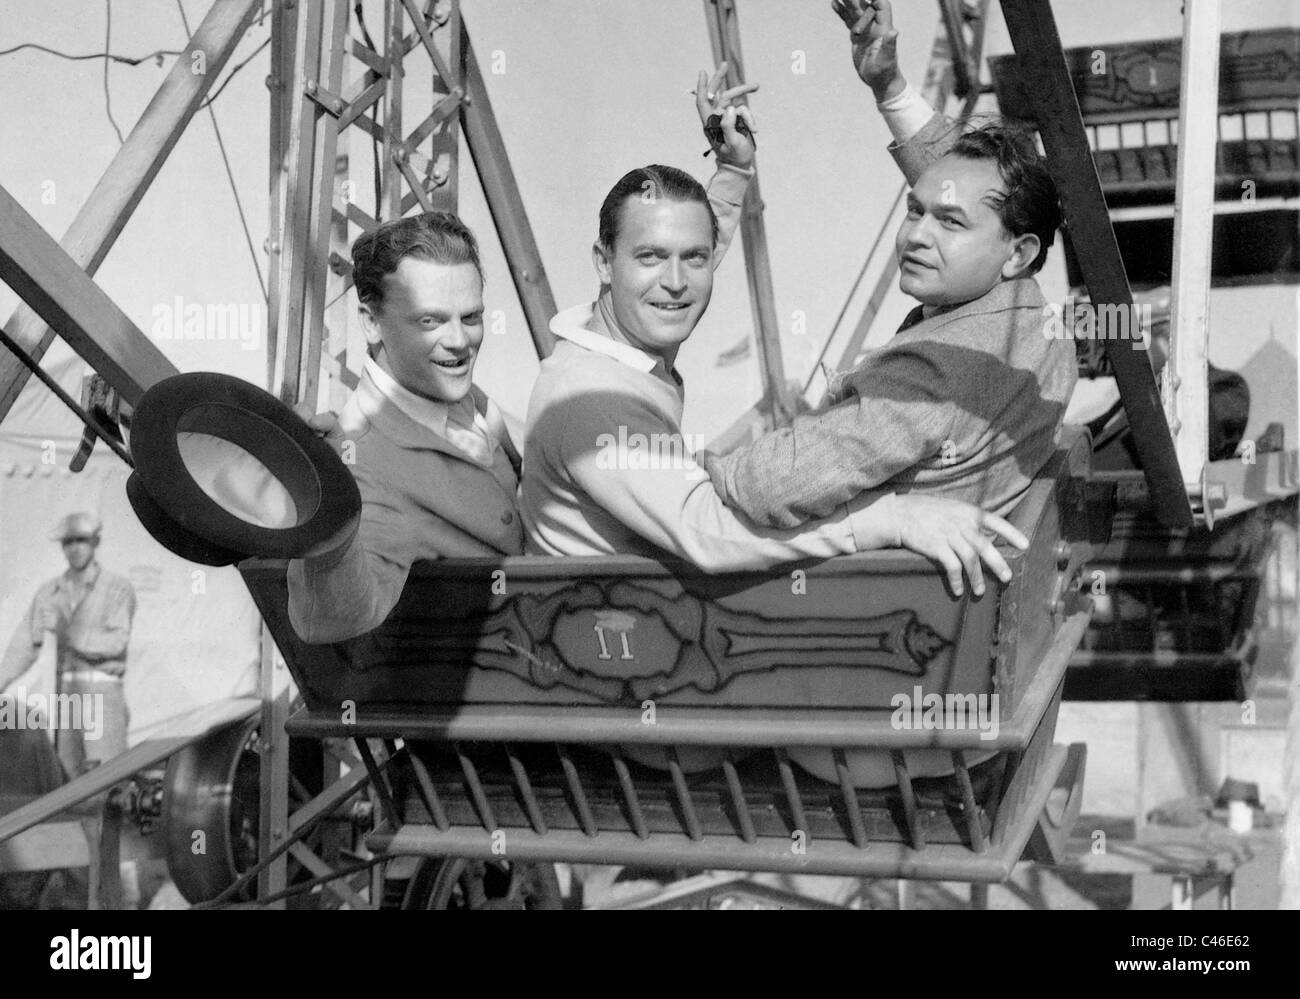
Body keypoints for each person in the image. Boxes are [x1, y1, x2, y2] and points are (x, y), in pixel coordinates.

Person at [285, 82, 760, 645]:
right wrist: (326, 525)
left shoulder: (461, 403)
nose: (460, 343)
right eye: (431, 322)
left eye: (471, 317)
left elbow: (662, 288)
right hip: (518, 698)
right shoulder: (364, 462)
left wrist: (729, 177)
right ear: (370, 322)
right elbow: (335, 620)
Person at [520, 74, 1029, 592]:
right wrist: (892, 519)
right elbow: (710, 534)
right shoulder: (590, 398)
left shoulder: (617, 334)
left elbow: (683, 256)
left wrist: (734, 169)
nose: (676, 282)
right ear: (604, 264)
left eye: (694, 259)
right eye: (649, 257)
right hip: (604, 646)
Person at [704, 0, 1076, 530]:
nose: (915, 236)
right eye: (913, 211)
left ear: (1019, 252)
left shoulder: (932, 375)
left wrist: (696, 470)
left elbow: (767, 486)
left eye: (948, 223)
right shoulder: (1039, 335)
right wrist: (890, 86)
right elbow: (966, 186)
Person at [0, 512, 136, 775]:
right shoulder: (51, 592)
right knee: (69, 777)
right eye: (68, 542)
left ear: (95, 542)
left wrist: (67, 631)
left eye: (81, 540)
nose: (74, 548)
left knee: (108, 776)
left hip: (102, 692)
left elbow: (115, 644)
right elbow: (26, 643)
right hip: (67, 695)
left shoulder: (117, 589)